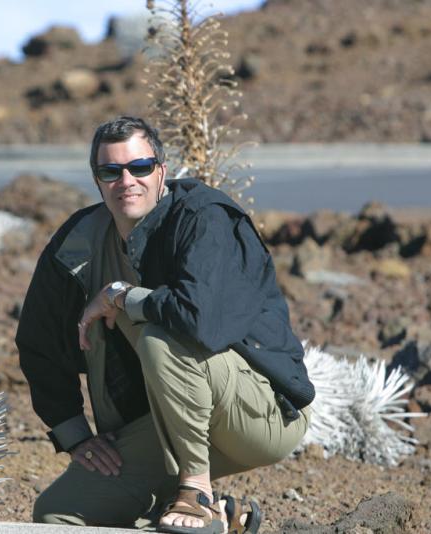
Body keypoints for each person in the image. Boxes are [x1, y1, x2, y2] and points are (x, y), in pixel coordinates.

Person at [16, 116, 314, 533]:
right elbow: (37, 339)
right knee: (60, 514)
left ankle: (198, 495)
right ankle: (220, 521)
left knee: (161, 339)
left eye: (139, 167)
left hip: (257, 414)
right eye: (110, 171)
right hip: (162, 423)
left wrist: (119, 295)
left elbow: (201, 321)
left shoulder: (204, 217)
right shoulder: (78, 242)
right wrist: (75, 433)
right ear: (97, 180)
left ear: (162, 171)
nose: (126, 181)